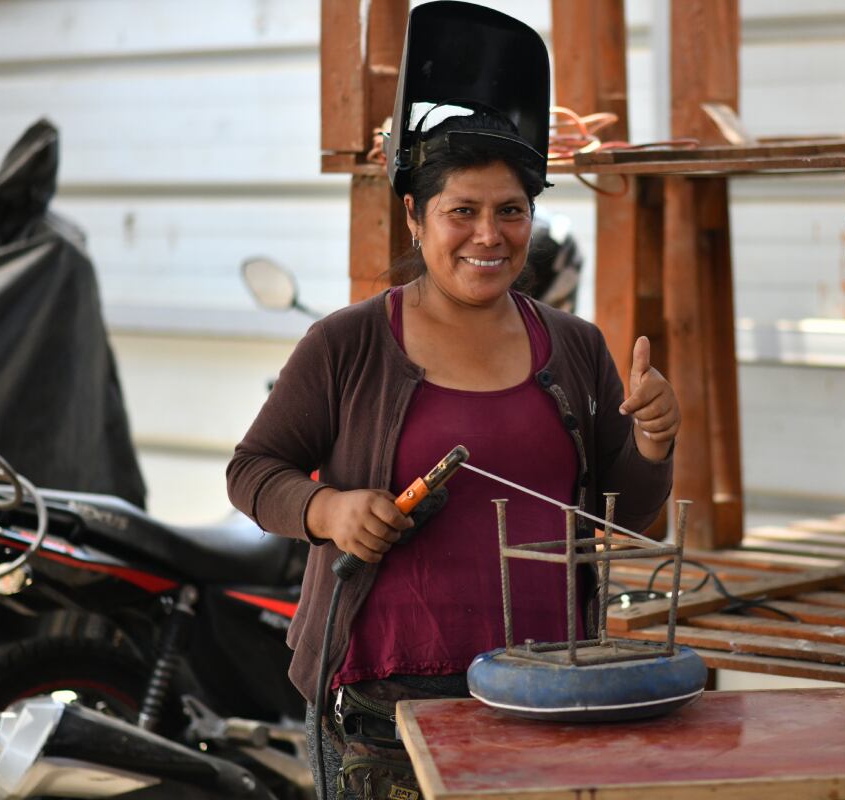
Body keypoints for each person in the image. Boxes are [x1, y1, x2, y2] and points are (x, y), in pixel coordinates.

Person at [226, 6, 678, 798]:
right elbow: (252, 472)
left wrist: (653, 442)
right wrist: (328, 510)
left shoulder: (575, 347)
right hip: (387, 705)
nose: (489, 235)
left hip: (547, 689)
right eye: (461, 211)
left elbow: (629, 517)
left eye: (511, 210)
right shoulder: (348, 343)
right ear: (415, 214)